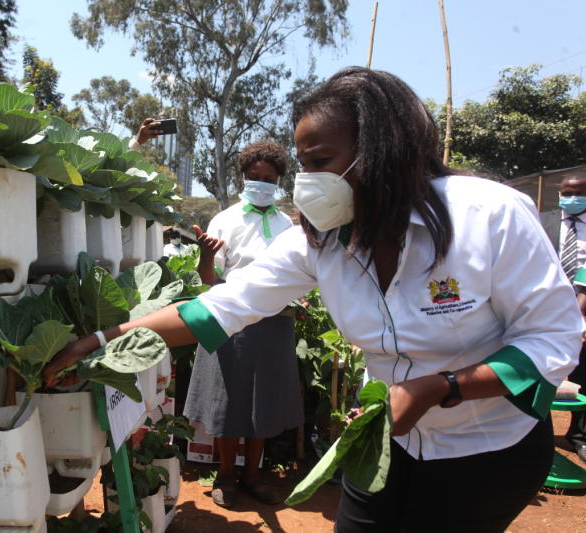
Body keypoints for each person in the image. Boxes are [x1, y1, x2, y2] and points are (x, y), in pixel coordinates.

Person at [44, 67, 581, 532]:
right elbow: (223, 305)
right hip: (384, 444)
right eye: (303, 163)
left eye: (321, 160)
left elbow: (551, 338)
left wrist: (440, 388)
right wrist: (102, 340)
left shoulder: (488, 216)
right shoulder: (319, 241)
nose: (307, 182)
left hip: (486, 452)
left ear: (383, 151)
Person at [183, 140, 301, 507]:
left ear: (280, 181)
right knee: (226, 401)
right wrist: (206, 255)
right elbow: (208, 280)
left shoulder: (287, 225)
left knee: (262, 402)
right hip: (231, 319)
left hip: (275, 323)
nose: (261, 183)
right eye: (255, 177)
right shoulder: (226, 220)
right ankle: (226, 476)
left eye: (269, 178)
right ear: (243, 177)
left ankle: (252, 476)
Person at [558, 175, 586, 463]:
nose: (570, 198)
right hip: (550, 308)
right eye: (565, 193)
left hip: (584, 306)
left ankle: (579, 435)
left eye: (577, 193)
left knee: (583, 374)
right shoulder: (550, 223)